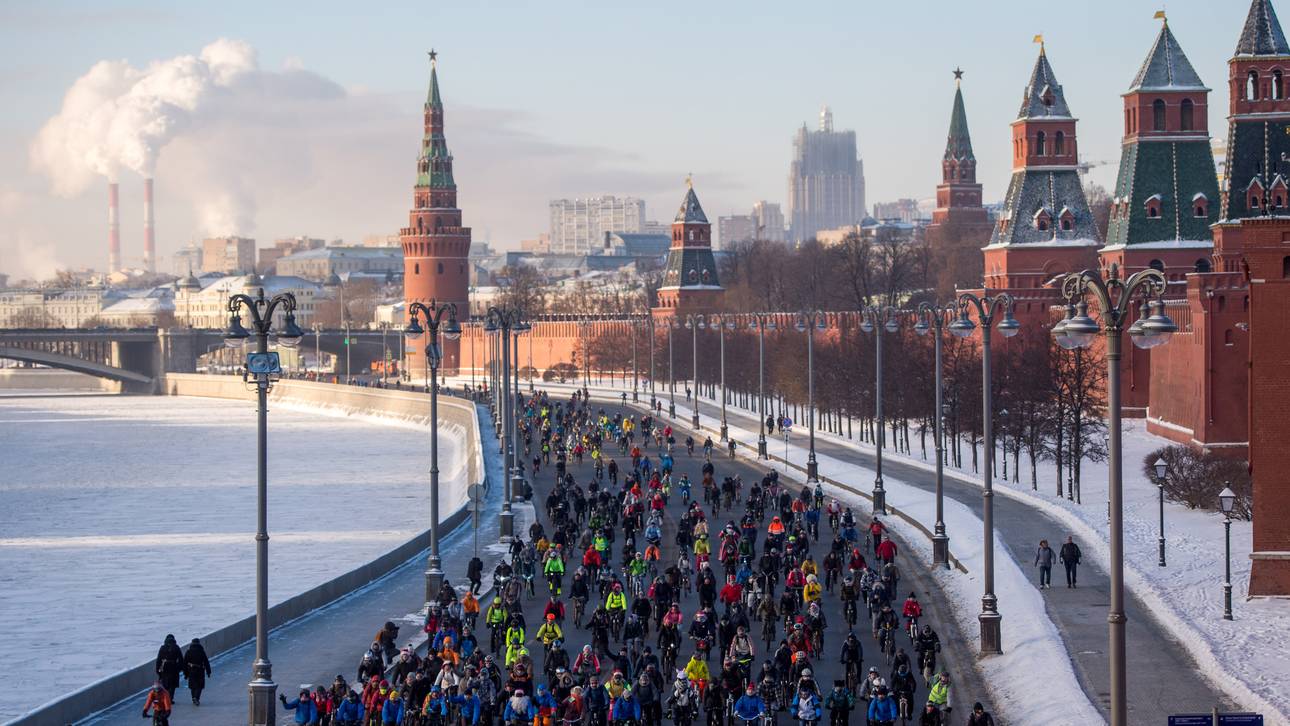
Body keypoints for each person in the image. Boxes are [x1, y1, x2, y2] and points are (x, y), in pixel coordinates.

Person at [183, 637, 212, 706]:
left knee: (192, 685)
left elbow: (184, 663)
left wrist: (185, 673)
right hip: (200, 670)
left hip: (191, 671)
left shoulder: (188, 652)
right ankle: (196, 698)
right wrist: (208, 671)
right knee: (199, 685)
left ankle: (193, 697)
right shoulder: (201, 651)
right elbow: (206, 662)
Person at [154, 634, 184, 698]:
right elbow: (181, 659)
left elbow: (158, 660)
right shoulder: (176, 647)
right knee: (172, 684)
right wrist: (179, 668)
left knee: (165, 683)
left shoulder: (162, 647)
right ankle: (170, 698)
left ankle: (166, 698)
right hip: (174, 667)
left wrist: (158, 670)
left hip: (164, 668)